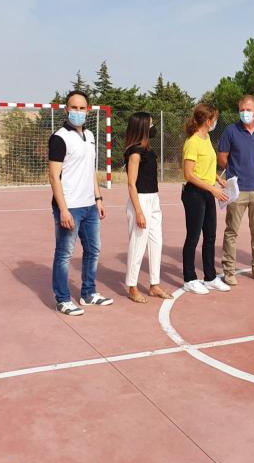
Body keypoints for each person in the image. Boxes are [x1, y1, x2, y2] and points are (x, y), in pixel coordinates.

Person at [48, 90, 112, 316]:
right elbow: (54, 176)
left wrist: (98, 198)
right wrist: (63, 208)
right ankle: (63, 299)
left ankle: (88, 293)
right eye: (73, 107)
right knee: (65, 253)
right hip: (69, 206)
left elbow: (90, 171)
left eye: (81, 108)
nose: (77, 112)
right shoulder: (59, 138)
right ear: (66, 110)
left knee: (93, 249)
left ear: (88, 110)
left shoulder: (91, 136)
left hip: (89, 206)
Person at [217, 94, 254, 285]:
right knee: (231, 231)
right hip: (237, 190)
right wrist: (234, 173)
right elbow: (222, 157)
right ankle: (229, 271)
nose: (245, 113)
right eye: (241, 109)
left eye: (248, 109)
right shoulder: (230, 131)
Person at [181, 103, 231, 294]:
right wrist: (213, 188)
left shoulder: (207, 137)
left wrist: (218, 179)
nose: (216, 121)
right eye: (215, 118)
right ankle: (189, 278)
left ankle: (210, 277)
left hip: (208, 192)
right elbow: (189, 174)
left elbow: (207, 165)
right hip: (195, 194)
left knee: (210, 236)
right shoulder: (192, 142)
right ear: (208, 120)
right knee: (193, 237)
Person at [123, 112, 171, 303]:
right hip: (140, 201)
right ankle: (132, 287)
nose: (153, 127)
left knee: (156, 242)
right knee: (138, 244)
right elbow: (131, 184)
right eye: (151, 124)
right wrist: (139, 211)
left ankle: (154, 284)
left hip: (153, 199)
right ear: (143, 127)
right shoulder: (134, 152)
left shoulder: (149, 150)